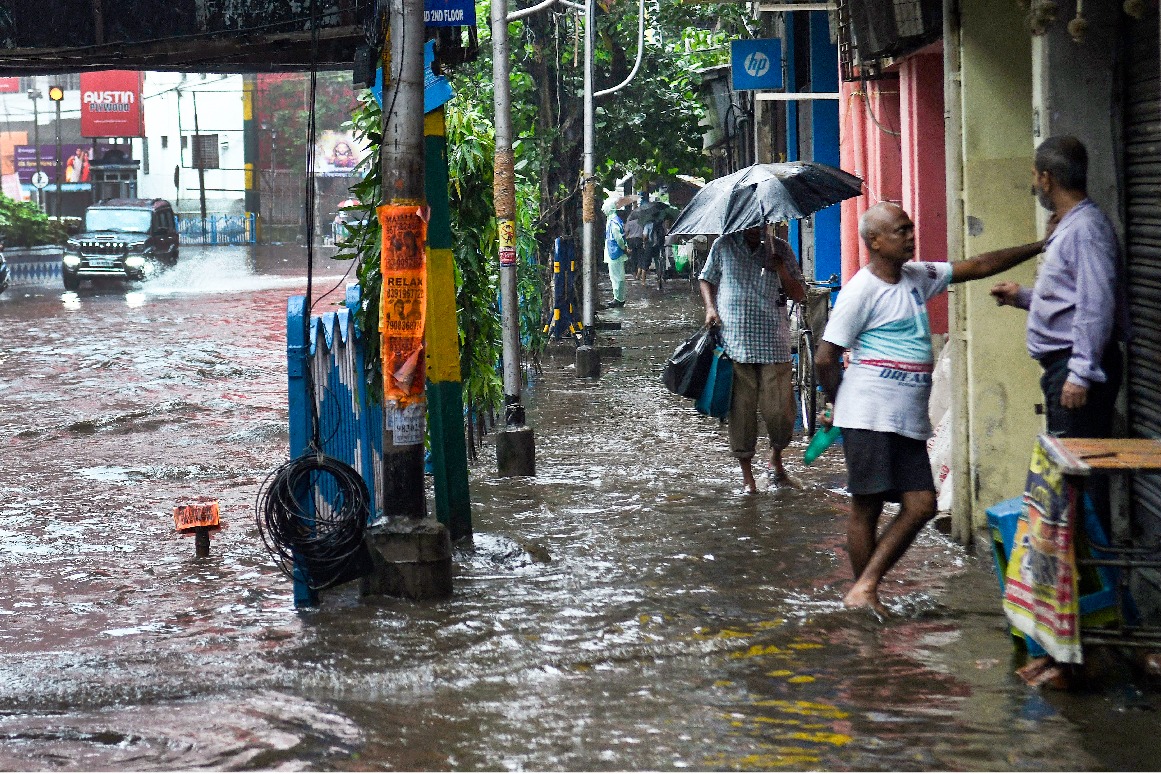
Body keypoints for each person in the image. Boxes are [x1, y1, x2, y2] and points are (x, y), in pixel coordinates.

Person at [816, 201, 1059, 614]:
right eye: (900, 230)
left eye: (910, 227)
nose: (911, 235)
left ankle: (865, 588)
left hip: (907, 420)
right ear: (874, 241)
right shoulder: (861, 291)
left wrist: (1040, 245)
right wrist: (839, 403)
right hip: (868, 415)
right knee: (867, 505)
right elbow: (825, 357)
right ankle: (865, 592)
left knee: (921, 505)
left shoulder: (917, 276)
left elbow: (979, 264)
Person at [989, 135, 1128, 440]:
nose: (1035, 184)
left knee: (1078, 474)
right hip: (1063, 366)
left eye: (1035, 176)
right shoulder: (1069, 227)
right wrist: (1024, 297)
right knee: (1066, 472)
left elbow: (1096, 305)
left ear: (1047, 179)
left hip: (1074, 366)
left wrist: (1080, 373)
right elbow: (1072, 296)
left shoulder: (1086, 230)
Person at [699, 223, 806, 493]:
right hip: (735, 345)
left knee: (780, 414)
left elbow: (799, 293)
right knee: (742, 415)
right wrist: (710, 308)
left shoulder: (780, 249)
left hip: (774, 344)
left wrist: (780, 267)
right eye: (749, 222)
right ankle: (748, 479)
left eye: (760, 221)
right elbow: (706, 278)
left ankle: (776, 461)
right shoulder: (723, 246)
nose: (755, 227)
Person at [604, 204, 630, 308]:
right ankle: (619, 298)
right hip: (615, 252)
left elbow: (618, 237)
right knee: (617, 276)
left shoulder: (613, 222)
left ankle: (618, 299)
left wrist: (623, 247)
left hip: (614, 252)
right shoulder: (616, 220)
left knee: (616, 277)